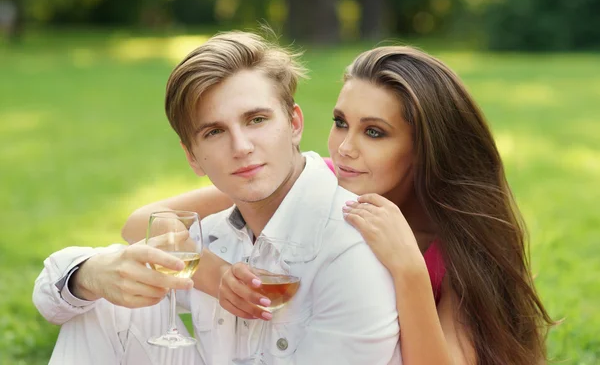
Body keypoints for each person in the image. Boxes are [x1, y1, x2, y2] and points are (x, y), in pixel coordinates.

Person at [123, 45, 554, 365]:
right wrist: (218, 278)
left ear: (424, 147)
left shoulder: (458, 245)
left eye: (375, 132)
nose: (345, 148)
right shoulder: (321, 179)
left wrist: (409, 270)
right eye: (340, 122)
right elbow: (143, 222)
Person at [32, 31, 401, 365]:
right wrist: (91, 276)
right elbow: (50, 295)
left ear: (294, 124)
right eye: (214, 132)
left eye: (256, 120)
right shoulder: (214, 235)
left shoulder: (351, 246)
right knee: (97, 310)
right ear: (192, 156)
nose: (241, 148)